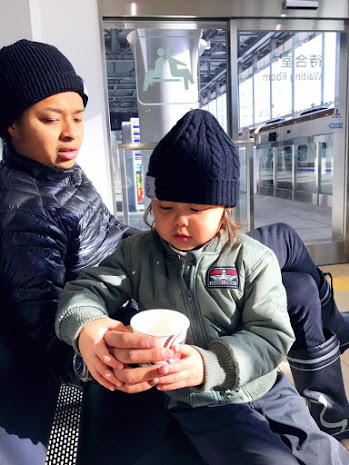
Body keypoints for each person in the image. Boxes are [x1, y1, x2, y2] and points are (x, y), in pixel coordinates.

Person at [56, 109, 349, 465]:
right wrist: (87, 327)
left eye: (196, 208)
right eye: (165, 206)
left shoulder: (253, 258)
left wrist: (211, 362)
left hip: (267, 386)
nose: (179, 220)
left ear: (225, 206)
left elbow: (271, 335)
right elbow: (85, 290)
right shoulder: (137, 254)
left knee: (324, 453)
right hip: (203, 404)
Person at [0, 39, 138, 463]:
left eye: (77, 116)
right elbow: (45, 333)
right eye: (49, 118)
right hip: (107, 323)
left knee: (274, 253)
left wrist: (163, 242)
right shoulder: (28, 210)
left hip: (127, 289)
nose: (70, 132)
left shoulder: (63, 175)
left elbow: (110, 232)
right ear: (11, 125)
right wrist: (103, 359)